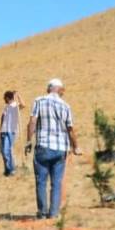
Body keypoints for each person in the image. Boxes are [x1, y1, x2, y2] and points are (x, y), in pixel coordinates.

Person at [25, 78, 83, 219]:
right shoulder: (66, 106)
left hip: (43, 147)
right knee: (56, 183)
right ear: (59, 89)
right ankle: (54, 214)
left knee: (41, 181)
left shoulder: (39, 101)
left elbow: (32, 121)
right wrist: (76, 147)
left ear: (49, 89)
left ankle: (42, 213)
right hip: (60, 150)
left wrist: (28, 140)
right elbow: (70, 129)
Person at [0, 90, 25, 176]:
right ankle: (7, 170)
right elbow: (3, 116)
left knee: (7, 150)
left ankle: (11, 169)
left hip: (11, 131)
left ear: (7, 98)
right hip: (3, 131)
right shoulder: (6, 107)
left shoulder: (15, 106)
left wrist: (18, 96)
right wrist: (0, 126)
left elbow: (23, 105)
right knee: (3, 151)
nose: (4, 100)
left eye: (4, 98)